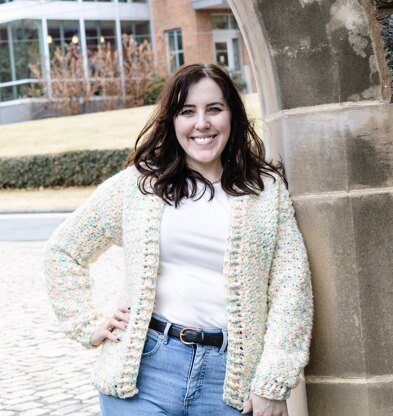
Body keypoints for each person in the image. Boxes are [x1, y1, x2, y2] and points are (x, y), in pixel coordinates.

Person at [44, 63, 313, 416]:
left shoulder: (265, 191)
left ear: (232, 116)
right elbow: (63, 250)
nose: (202, 123)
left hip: (231, 383)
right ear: (172, 120)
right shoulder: (140, 185)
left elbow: (292, 288)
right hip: (144, 375)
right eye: (188, 112)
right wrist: (86, 323)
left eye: (214, 109)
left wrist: (273, 382)